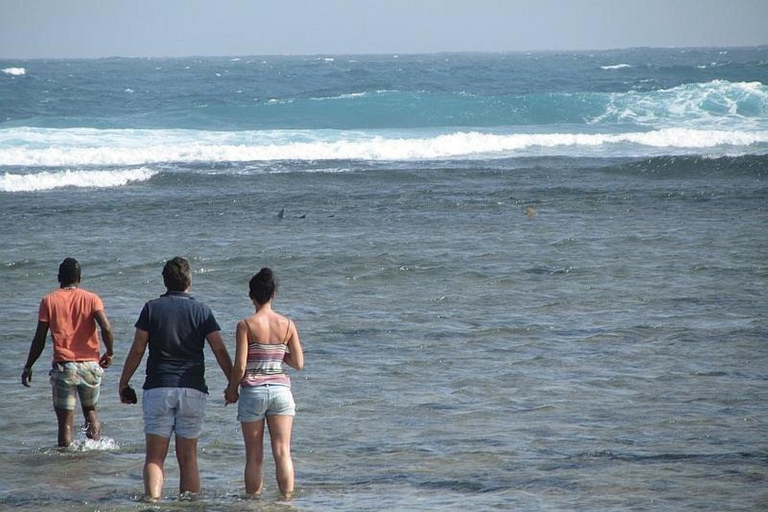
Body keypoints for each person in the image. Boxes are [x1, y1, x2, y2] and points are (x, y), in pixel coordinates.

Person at [118, 256, 233, 502]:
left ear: (164, 281)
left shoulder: (151, 308)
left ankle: (152, 504)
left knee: (154, 457)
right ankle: (191, 507)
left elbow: (138, 348)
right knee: (188, 457)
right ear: (189, 280)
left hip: (159, 387)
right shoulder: (202, 311)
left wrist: (123, 381)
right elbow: (219, 350)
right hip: (192, 389)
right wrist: (233, 383)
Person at [225, 268, 304, 498]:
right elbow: (298, 362)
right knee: (282, 452)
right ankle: (286, 501)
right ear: (273, 295)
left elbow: (240, 366)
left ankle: (253, 502)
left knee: (254, 456)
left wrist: (231, 391)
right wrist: (278, 353)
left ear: (251, 296)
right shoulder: (288, 324)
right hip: (281, 392)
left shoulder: (246, 325)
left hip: (254, 392)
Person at [21, 257, 115, 447]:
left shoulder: (49, 301)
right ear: (79, 278)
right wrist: (110, 353)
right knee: (90, 412)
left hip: (64, 368)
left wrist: (28, 366)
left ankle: (65, 466)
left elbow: (39, 339)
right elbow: (106, 327)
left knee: (65, 424)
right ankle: (95, 451)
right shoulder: (91, 298)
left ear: (58, 278)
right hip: (90, 365)